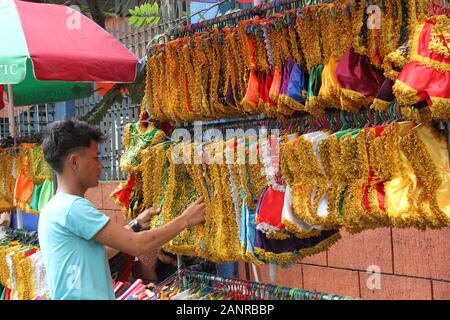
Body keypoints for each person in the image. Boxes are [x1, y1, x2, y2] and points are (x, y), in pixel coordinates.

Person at [38, 119, 206, 300]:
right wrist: (185, 220)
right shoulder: (73, 208)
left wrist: (136, 224)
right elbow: (136, 245)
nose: (100, 165)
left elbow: (101, 251)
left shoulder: (54, 208)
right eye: (95, 158)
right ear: (74, 162)